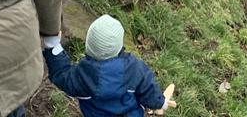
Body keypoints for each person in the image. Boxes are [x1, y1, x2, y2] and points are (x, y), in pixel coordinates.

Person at [43, 15, 176, 117]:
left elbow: (61, 74)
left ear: (89, 45)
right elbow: (148, 90)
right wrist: (160, 103)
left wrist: (53, 46)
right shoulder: (135, 69)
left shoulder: (81, 77)